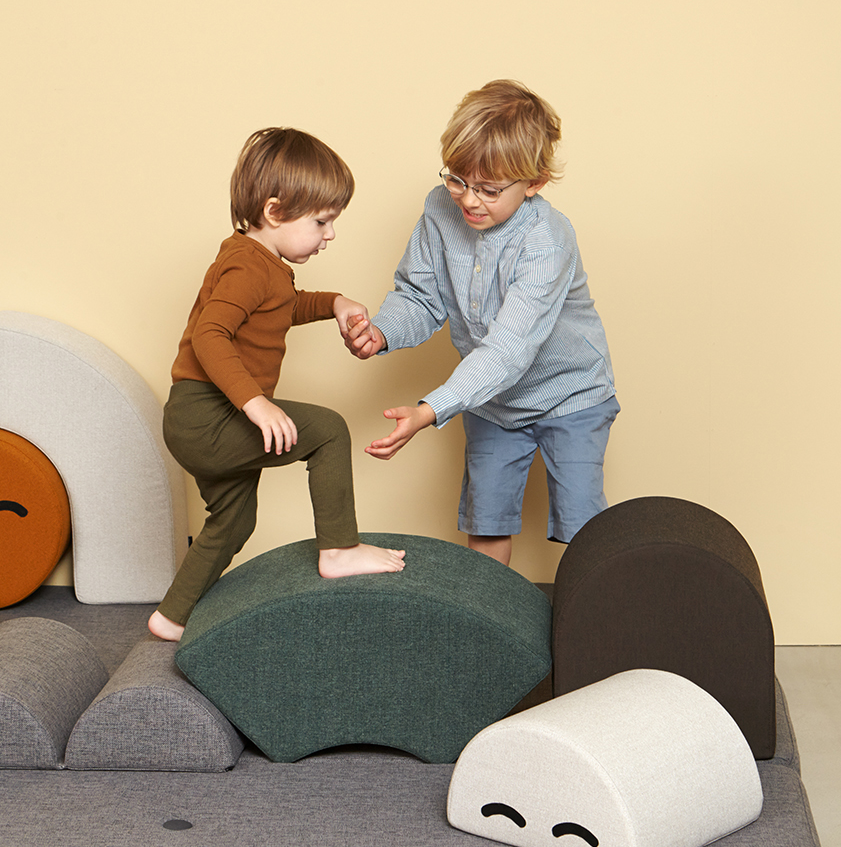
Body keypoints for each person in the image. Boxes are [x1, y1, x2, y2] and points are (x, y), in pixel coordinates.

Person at [344, 79, 618, 568]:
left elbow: (507, 350)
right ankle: (493, 635)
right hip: (492, 401)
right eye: (458, 180)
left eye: (489, 190)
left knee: (582, 527)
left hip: (570, 394)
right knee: (486, 521)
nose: (469, 200)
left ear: (533, 183)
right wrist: (382, 332)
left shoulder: (546, 241)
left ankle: (588, 633)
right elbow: (420, 296)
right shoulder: (439, 210)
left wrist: (431, 409)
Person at [148, 128, 405, 642]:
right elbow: (209, 334)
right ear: (273, 211)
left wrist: (333, 302)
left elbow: (284, 307)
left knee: (234, 519)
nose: (329, 234)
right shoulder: (247, 265)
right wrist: (255, 404)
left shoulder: (261, 264)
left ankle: (170, 617)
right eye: (321, 221)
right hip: (208, 414)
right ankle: (339, 549)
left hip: (199, 417)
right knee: (329, 429)